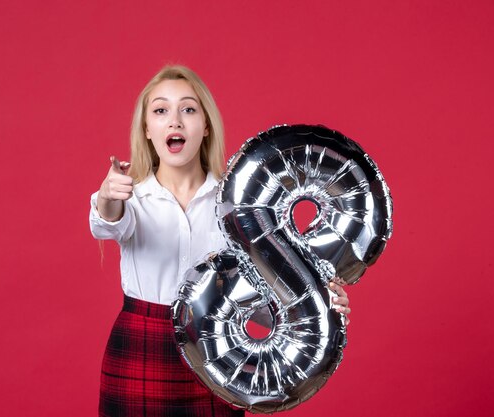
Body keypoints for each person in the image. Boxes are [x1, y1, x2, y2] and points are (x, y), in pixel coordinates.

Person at [89, 65, 351, 417]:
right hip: (142, 347)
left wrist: (317, 303)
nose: (175, 121)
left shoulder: (238, 205)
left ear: (206, 126)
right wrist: (109, 196)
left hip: (218, 351)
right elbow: (106, 222)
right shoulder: (130, 197)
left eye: (188, 109)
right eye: (161, 111)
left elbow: (254, 296)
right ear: (148, 130)